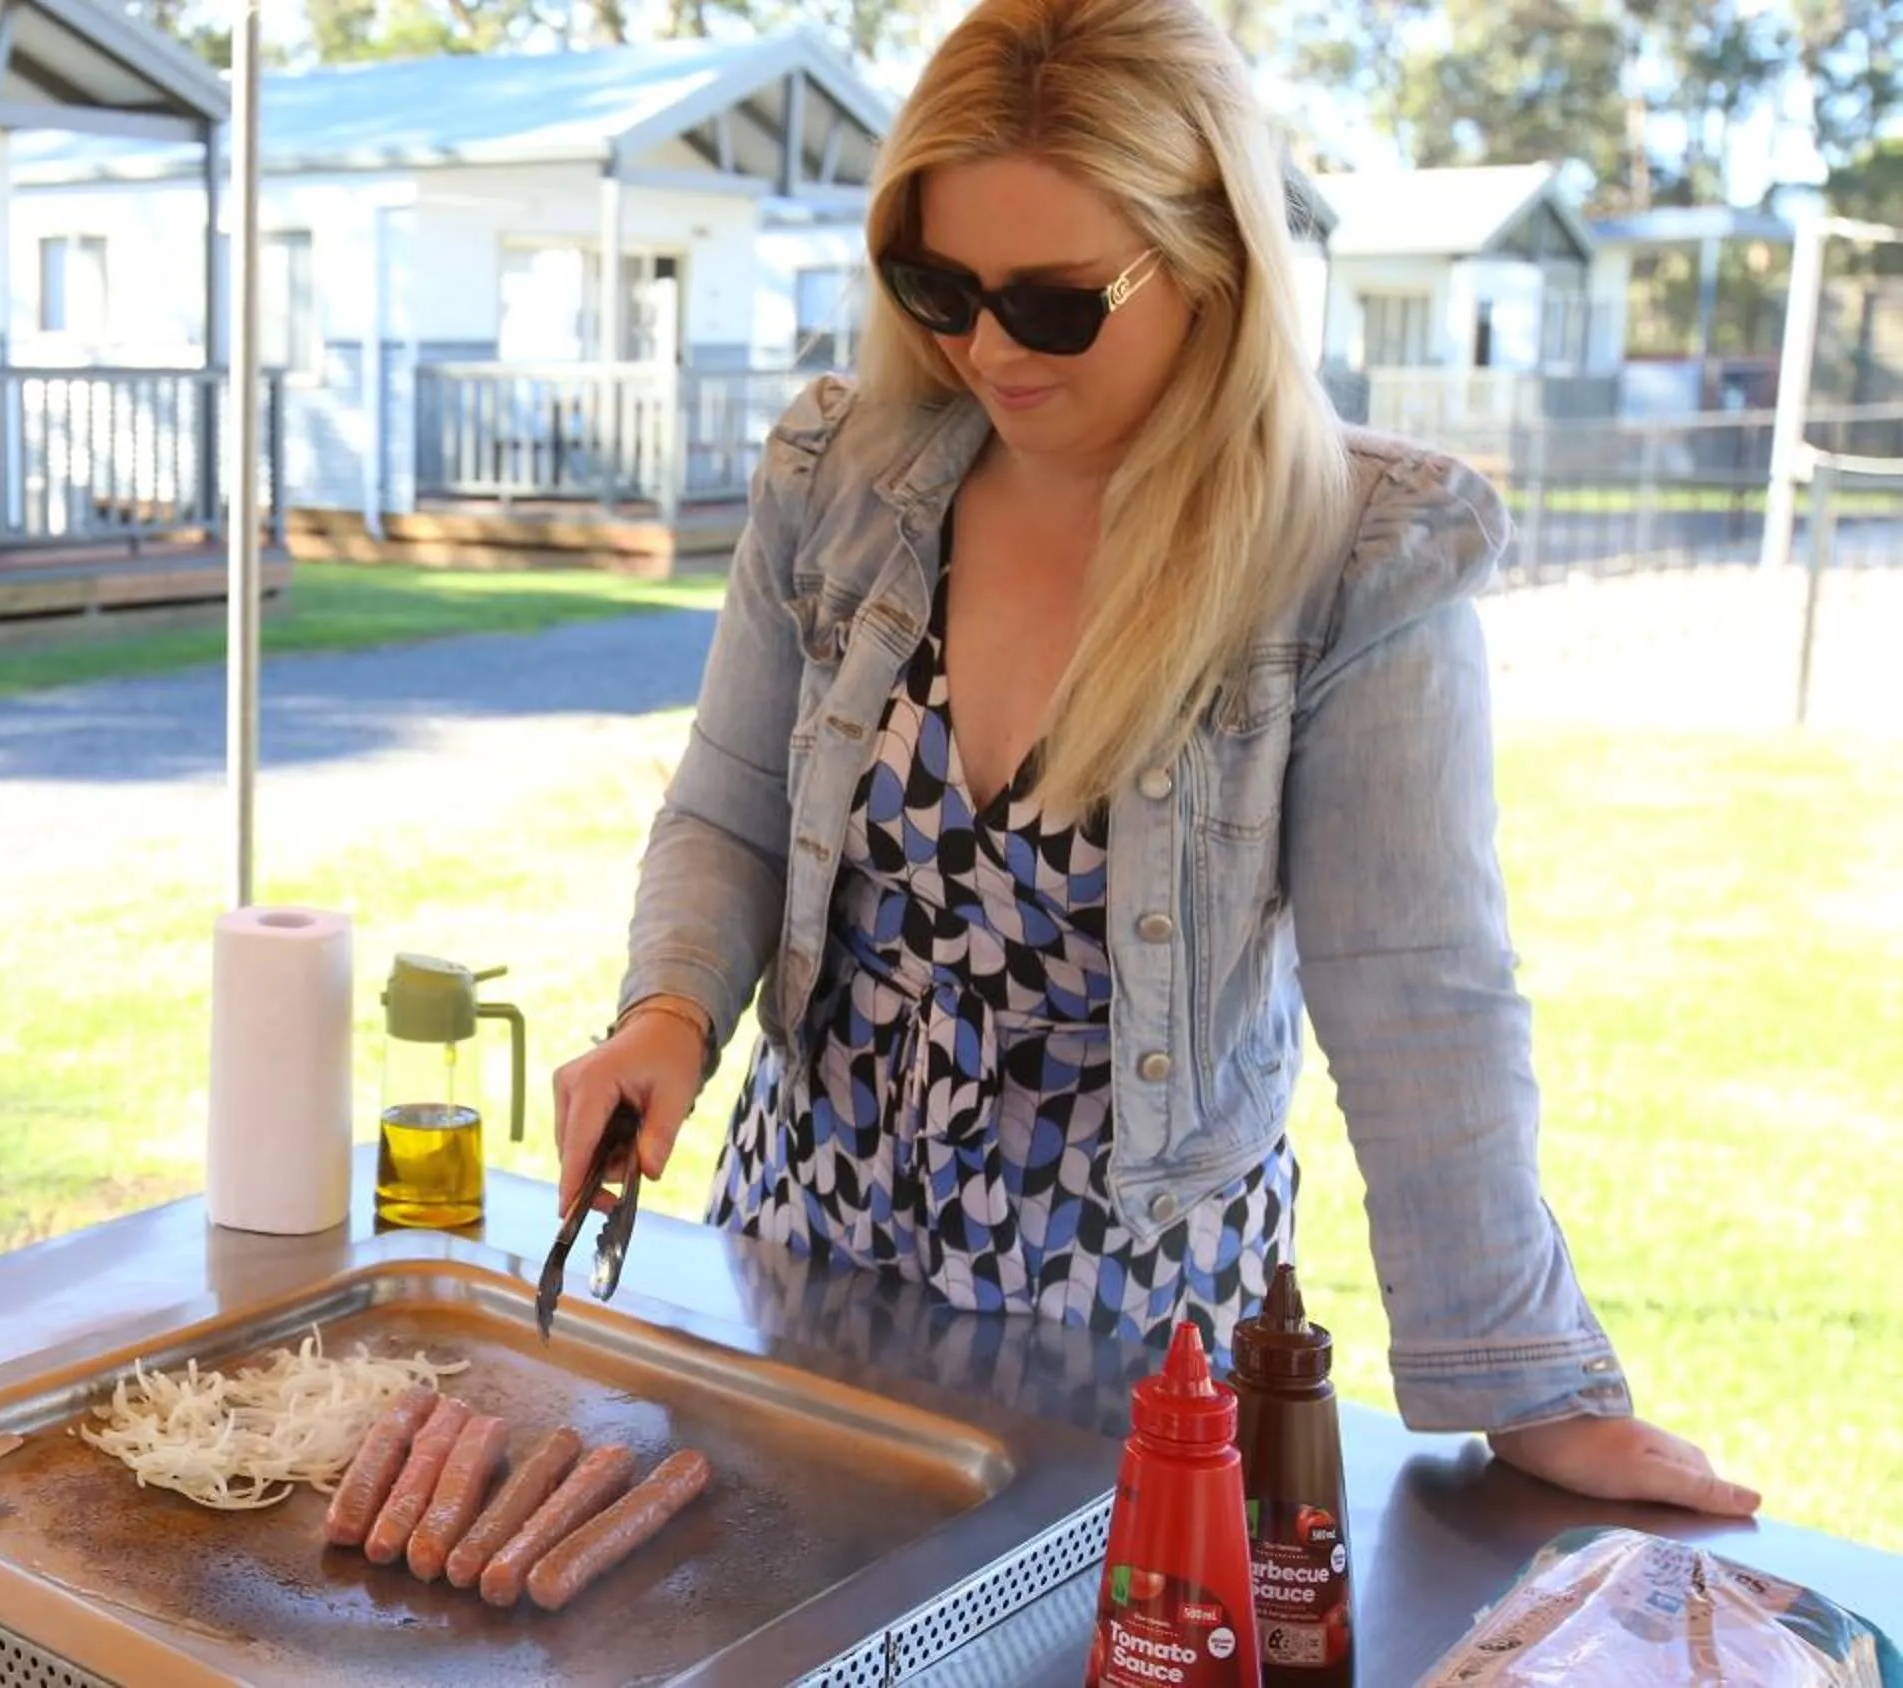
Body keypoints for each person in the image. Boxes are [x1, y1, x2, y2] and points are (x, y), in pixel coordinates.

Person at [549, 0, 1754, 1517]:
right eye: (935, 285)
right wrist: (665, 1011)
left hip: (1125, 1334)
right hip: (795, 1256)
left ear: (1212, 268)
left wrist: (1528, 1385)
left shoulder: (1353, 557)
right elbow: (727, 806)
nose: (985, 349)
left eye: (1054, 305)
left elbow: (1420, 987)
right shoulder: (839, 474)